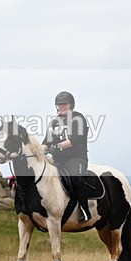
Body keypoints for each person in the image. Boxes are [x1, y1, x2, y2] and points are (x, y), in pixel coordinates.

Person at [43, 91, 91, 222]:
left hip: (76, 158)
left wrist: (58, 146)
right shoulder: (54, 122)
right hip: (58, 160)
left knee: (75, 177)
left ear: (71, 105)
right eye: (59, 104)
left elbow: (76, 139)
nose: (62, 107)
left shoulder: (78, 118)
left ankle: (84, 209)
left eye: (65, 104)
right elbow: (47, 142)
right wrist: (38, 150)